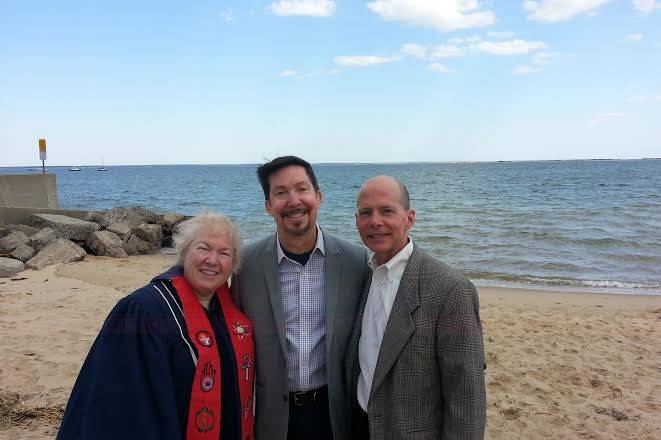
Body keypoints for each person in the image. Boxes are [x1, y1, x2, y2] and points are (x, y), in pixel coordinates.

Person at [57, 212, 255, 440]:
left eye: (224, 253)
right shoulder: (143, 311)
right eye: (203, 248)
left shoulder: (231, 314)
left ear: (233, 264)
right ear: (184, 252)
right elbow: (116, 404)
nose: (212, 260)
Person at [233, 156, 370, 440]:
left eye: (302, 189)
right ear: (268, 206)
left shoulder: (355, 261)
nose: (293, 200)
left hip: (334, 415)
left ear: (318, 197)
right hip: (270, 418)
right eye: (281, 193)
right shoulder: (245, 265)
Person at [346, 175, 486, 440]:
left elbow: (466, 397)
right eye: (366, 213)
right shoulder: (364, 277)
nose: (375, 221)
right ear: (356, 221)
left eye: (387, 210)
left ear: (409, 218)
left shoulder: (450, 289)